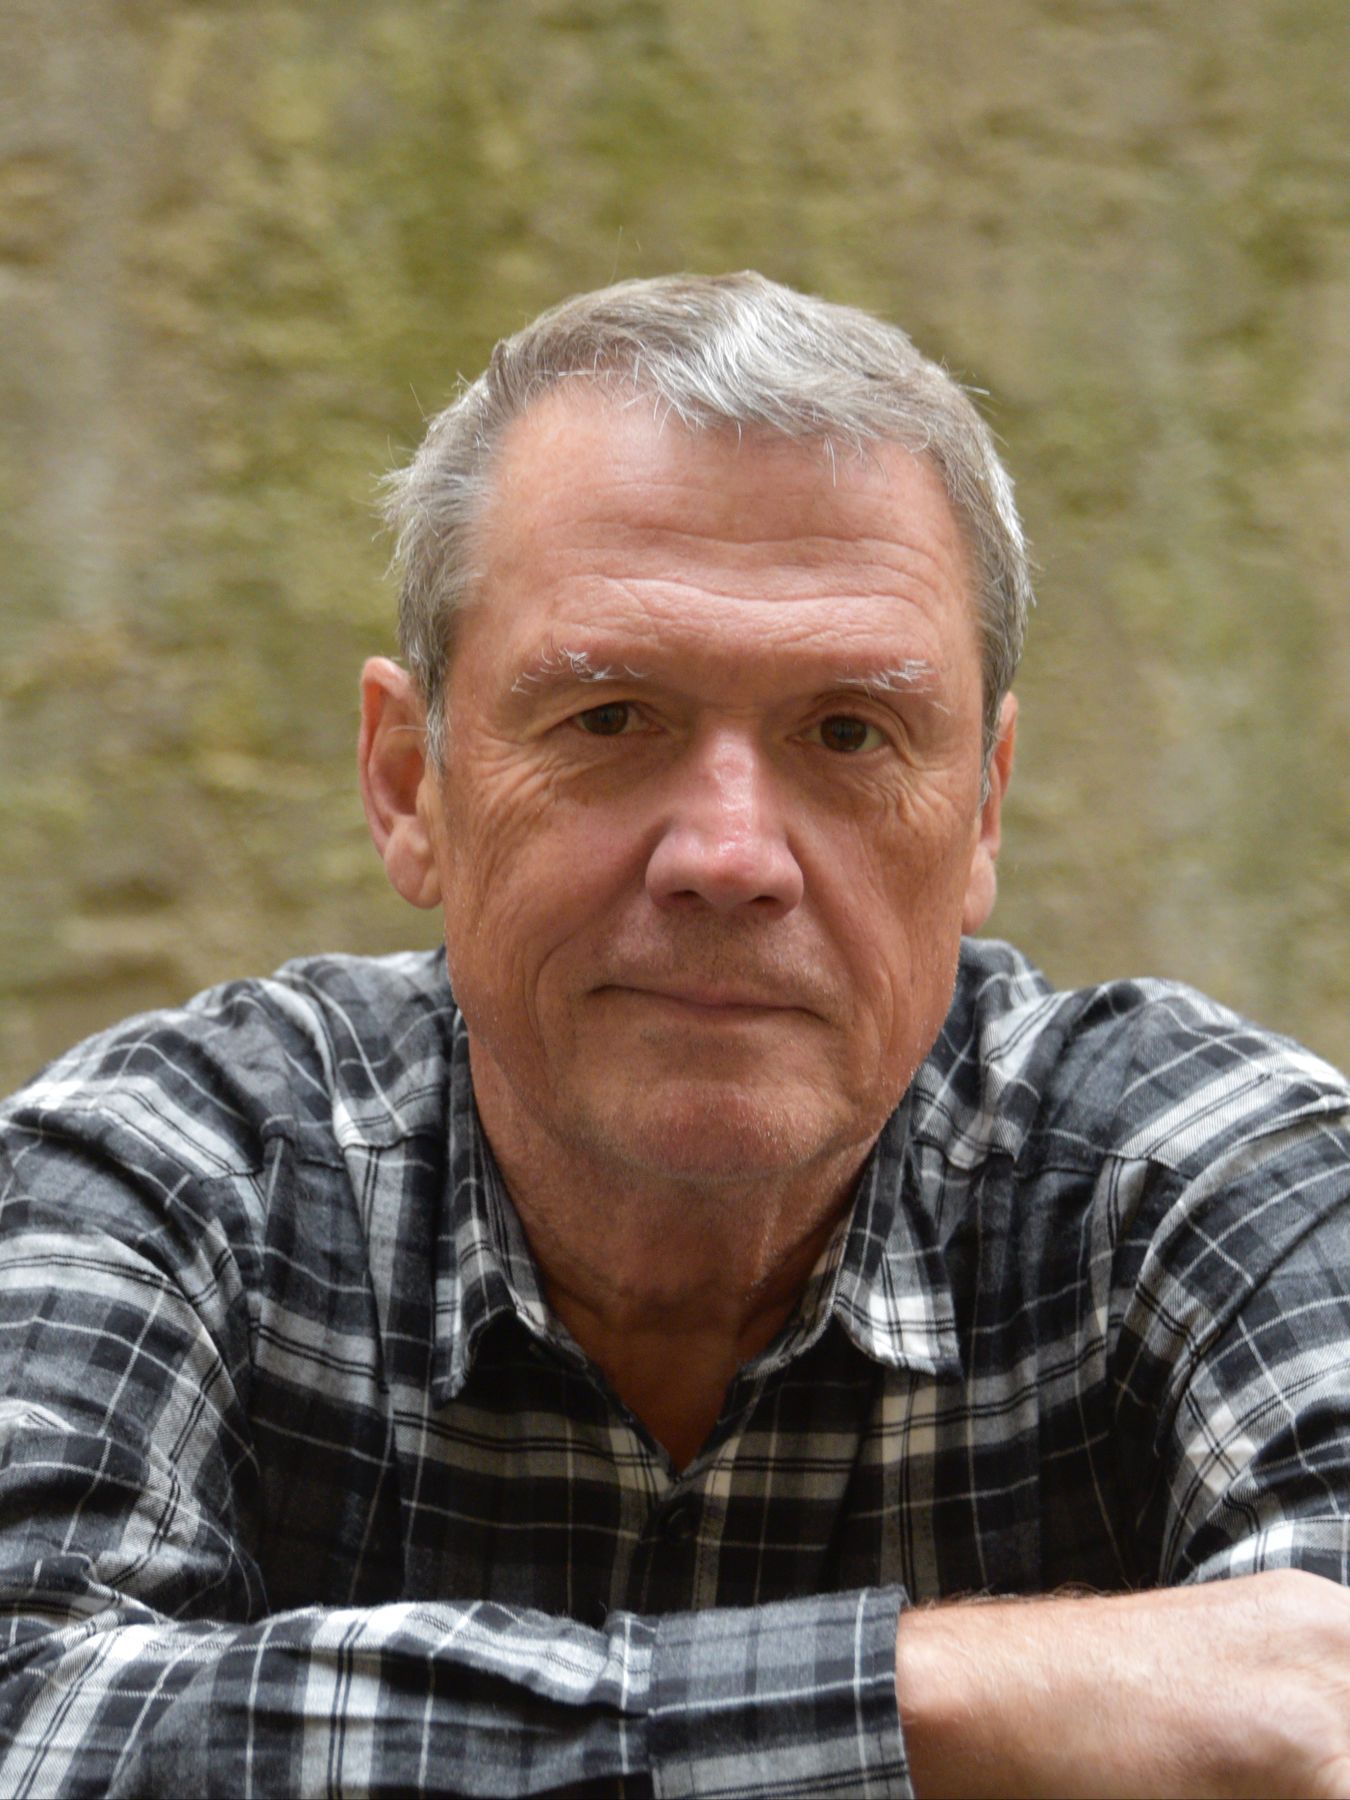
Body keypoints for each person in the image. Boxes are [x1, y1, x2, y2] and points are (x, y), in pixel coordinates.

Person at [0, 272, 1347, 1799]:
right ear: (409, 783)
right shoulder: (171, 1173)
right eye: (609, 717)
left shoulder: (1208, 1172)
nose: (728, 856)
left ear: (980, 807)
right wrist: (941, 1700)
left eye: (847, 732)